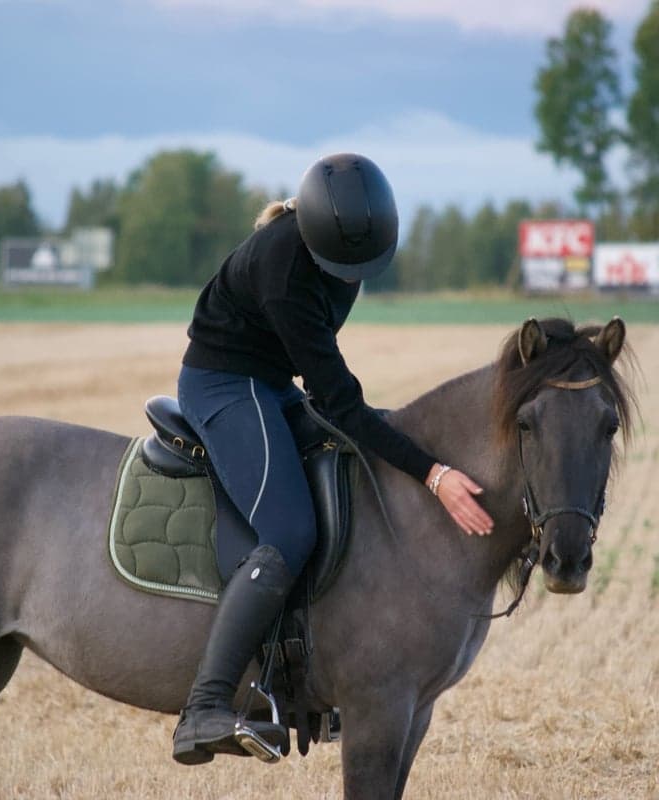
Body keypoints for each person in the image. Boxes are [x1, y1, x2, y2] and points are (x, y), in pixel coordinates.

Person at [172, 152, 494, 765]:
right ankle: (206, 706)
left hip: (269, 381)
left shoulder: (339, 250)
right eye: (342, 268)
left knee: (352, 472)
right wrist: (433, 472)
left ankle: (325, 671)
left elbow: (330, 394)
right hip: (224, 383)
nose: (352, 277)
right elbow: (341, 400)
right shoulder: (284, 270)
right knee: (290, 531)